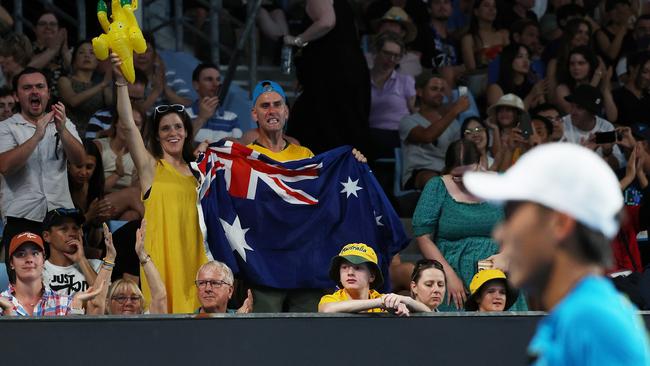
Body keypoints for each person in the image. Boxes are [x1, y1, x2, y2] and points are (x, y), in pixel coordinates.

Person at [464, 143, 650, 365]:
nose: (499, 233)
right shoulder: (576, 315)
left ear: (560, 223)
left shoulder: (593, 321)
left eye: (513, 214)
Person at [236, 80, 366, 312]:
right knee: (266, 334)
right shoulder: (246, 156)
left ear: (286, 111)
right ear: (254, 115)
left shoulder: (305, 155)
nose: (272, 111)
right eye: (265, 106)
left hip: (304, 261)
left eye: (277, 104)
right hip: (266, 263)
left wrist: (352, 163)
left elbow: (325, 195)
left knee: (308, 334)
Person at [113, 53, 208, 313]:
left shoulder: (199, 171)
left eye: (178, 127)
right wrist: (121, 83)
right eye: (165, 128)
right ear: (157, 135)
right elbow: (130, 126)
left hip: (194, 253)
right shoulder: (150, 167)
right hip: (160, 255)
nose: (173, 133)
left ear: (187, 131)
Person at [412, 139, 526, 311]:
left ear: (480, 162)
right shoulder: (437, 187)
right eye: (457, 176)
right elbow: (423, 236)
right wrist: (447, 275)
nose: (465, 181)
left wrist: (506, 255)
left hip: (496, 273)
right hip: (451, 271)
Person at [0, 67, 84, 265]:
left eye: (40, 86)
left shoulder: (63, 123)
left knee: (66, 282)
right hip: (22, 218)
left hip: (62, 218)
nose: (34, 92)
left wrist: (62, 129)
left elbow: (80, 159)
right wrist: (37, 135)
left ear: (47, 92)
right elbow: (5, 166)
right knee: (23, 287)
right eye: (27, 88)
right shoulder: (6, 127)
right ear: (17, 95)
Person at [285, 0, 372, 156]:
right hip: (346, 71)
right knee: (347, 127)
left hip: (332, 75)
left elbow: (327, 22)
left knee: (320, 127)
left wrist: (298, 40)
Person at [0, 232, 102, 316]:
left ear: (43, 260)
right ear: (12, 263)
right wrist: (8, 313)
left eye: (35, 253)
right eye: (21, 254)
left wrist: (76, 308)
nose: (29, 259)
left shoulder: (65, 303)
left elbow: (73, 339)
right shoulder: (2, 302)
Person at [399, 73, 470, 190]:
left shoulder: (453, 124)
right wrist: (454, 111)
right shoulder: (407, 121)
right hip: (419, 174)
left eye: (442, 90)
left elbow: (457, 155)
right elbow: (427, 136)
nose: (439, 93)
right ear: (419, 92)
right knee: (433, 181)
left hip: (446, 173)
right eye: (434, 89)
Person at [319, 243, 430, 315]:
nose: (350, 273)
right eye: (344, 267)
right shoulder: (331, 299)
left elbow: (429, 313)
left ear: (371, 276)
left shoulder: (382, 299)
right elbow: (327, 310)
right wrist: (379, 303)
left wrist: (406, 300)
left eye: (358, 268)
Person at [369, 32, 416, 159]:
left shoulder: (405, 81)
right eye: (387, 53)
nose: (391, 60)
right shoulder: (363, 80)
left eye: (396, 56)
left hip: (397, 134)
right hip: (369, 132)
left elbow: (414, 111)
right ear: (376, 52)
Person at [105, 219, 167, 315]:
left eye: (134, 298)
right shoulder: (101, 324)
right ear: (107, 304)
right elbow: (96, 302)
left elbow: (160, 295)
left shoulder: (146, 321)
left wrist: (142, 254)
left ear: (141, 304)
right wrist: (110, 258)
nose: (129, 303)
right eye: (121, 298)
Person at [560, 84, 625, 169]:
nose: (572, 112)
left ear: (592, 112)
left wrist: (607, 152)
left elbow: (617, 166)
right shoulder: (562, 125)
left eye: (579, 108)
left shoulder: (606, 128)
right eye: (572, 106)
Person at [41, 208, 101, 297]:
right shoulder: (39, 271)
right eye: (64, 229)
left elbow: (103, 299)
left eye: (75, 228)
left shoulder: (97, 265)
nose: (72, 233)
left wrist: (81, 260)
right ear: (47, 236)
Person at [57, 40, 111, 137]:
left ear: (98, 61)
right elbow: (73, 101)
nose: (87, 56)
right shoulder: (65, 81)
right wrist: (102, 85)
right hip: (70, 135)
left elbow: (112, 104)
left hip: (96, 136)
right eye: (81, 52)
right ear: (74, 60)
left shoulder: (102, 84)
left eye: (92, 53)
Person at [187, 63, 241, 144]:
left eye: (218, 79)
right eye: (209, 79)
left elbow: (239, 151)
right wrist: (201, 118)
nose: (216, 84)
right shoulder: (183, 115)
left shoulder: (232, 118)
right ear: (196, 85)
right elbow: (180, 147)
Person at [28, 12, 71, 99]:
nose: (48, 27)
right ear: (34, 28)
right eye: (43, 24)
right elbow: (29, 69)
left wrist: (64, 48)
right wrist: (53, 49)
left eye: (53, 24)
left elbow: (75, 71)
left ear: (59, 29)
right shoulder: (27, 49)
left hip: (63, 102)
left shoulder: (66, 51)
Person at [613, 51, 650, 127]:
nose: (648, 77)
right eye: (644, 71)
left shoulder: (648, 97)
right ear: (631, 69)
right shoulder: (615, 96)